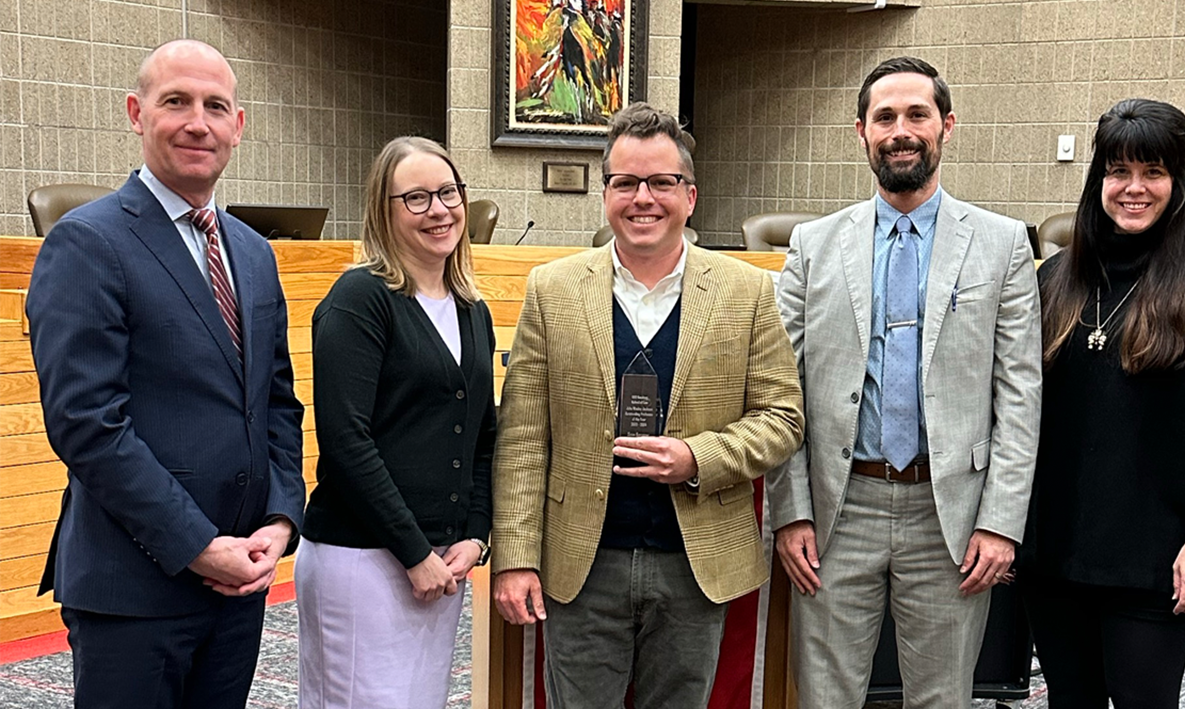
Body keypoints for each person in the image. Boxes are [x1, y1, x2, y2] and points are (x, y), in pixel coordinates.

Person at [491, 102, 804, 709]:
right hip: (580, 564)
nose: (643, 198)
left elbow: (783, 418)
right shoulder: (552, 289)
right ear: (605, 193)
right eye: (626, 182)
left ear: (690, 195)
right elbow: (524, 437)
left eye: (661, 182)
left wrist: (697, 457)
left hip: (695, 565)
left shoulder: (747, 290)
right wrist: (515, 558)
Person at [26, 40, 305, 708]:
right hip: (136, 590)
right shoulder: (87, 243)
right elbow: (88, 425)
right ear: (135, 112)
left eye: (216, 106)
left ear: (239, 125)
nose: (197, 122)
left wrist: (280, 518)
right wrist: (198, 546)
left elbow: (276, 404)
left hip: (239, 587)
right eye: (175, 101)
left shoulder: (254, 253)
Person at [767, 56, 1042, 708]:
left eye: (916, 114)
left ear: (946, 125)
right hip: (839, 507)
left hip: (949, 514)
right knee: (825, 696)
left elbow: (1020, 396)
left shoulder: (1003, 246)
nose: (900, 129)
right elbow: (781, 393)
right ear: (860, 132)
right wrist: (791, 510)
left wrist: (1001, 522)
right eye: (883, 117)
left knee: (941, 697)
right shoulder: (813, 245)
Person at [1018, 98, 1185, 708]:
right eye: (1118, 171)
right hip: (1056, 553)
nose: (1134, 188)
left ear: (1178, 183)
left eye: (1152, 172)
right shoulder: (1054, 280)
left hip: (1156, 561)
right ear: (1097, 178)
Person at [294, 137, 496, 709]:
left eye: (448, 192)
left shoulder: (470, 308)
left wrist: (475, 536)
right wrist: (414, 552)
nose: (439, 210)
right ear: (384, 211)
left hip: (440, 561)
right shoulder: (360, 299)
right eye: (416, 198)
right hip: (363, 562)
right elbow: (345, 441)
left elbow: (483, 431)